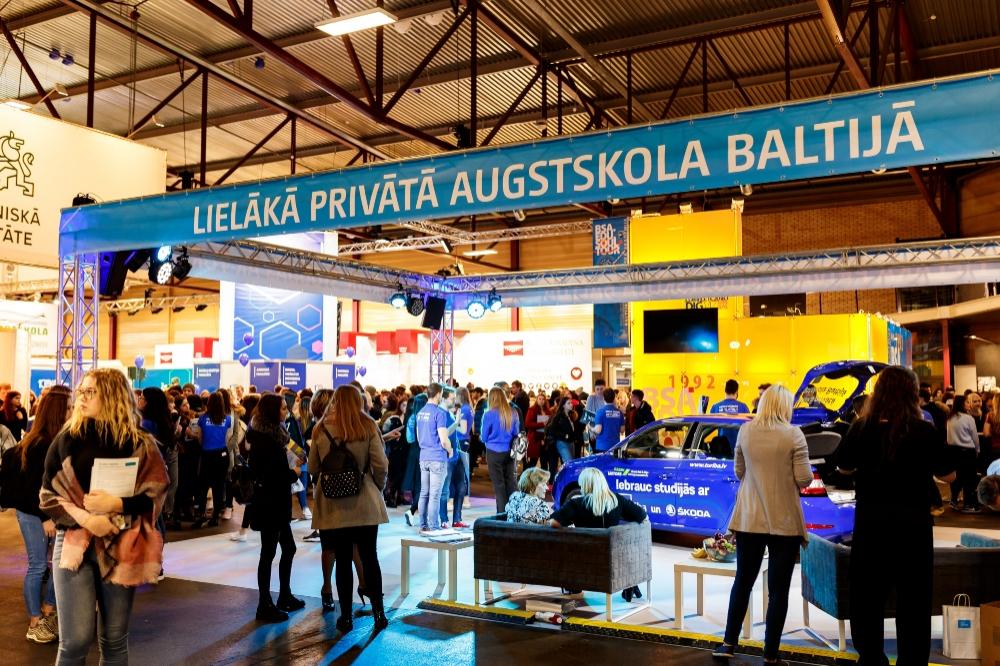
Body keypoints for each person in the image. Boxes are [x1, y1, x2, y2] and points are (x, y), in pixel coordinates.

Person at [39, 369, 168, 665]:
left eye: (90, 392)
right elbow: (48, 495)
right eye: (81, 391)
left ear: (111, 396)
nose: (81, 398)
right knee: (75, 641)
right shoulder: (68, 438)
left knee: (114, 639)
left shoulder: (139, 442)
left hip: (122, 544)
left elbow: (157, 491)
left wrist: (118, 504)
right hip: (74, 543)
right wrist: (89, 520)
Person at [836, 366, 955, 663]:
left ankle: (872, 659)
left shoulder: (861, 428)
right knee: (914, 599)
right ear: (912, 394)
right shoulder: (924, 431)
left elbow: (843, 468)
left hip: (871, 524)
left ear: (878, 393)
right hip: (913, 526)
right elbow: (949, 475)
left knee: (868, 598)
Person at [712, 384, 812, 661]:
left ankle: (728, 644)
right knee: (778, 592)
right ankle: (770, 654)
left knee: (743, 582)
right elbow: (804, 478)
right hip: (784, 522)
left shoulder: (746, 431)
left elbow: (739, 471)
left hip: (750, 519)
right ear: (785, 406)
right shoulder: (794, 434)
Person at [309, 385, 389, 633]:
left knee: (342, 561)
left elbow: (313, 468)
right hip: (364, 503)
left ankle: (345, 617)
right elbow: (381, 464)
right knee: (369, 557)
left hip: (333, 506)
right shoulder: (367, 425)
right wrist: (376, 486)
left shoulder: (320, 428)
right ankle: (379, 613)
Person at [8, 386, 71, 644]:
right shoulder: (41, 444)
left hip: (48, 512)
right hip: (35, 513)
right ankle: (35, 621)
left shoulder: (54, 439)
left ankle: (47, 611)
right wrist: (45, 517)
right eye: (68, 407)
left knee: (55, 563)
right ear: (58, 411)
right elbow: (33, 486)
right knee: (38, 565)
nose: (73, 411)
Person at [246, 393, 303, 623]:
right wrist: (294, 473)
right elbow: (272, 475)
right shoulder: (265, 440)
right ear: (272, 411)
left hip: (276, 503)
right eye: (282, 408)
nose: (286, 412)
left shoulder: (274, 435)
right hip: (270, 503)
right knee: (268, 552)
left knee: (288, 548)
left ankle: (283, 595)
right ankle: (264, 604)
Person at [550, 467, 646, 601]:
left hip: (584, 560)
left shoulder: (577, 503)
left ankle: (574, 587)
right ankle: (629, 584)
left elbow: (554, 523)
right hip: (614, 560)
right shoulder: (617, 500)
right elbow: (642, 515)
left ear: (585, 485)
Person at [139, 387, 180, 531]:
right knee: (157, 514)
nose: (139, 400)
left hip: (149, 469)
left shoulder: (146, 424)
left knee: (153, 515)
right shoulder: (162, 420)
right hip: (160, 466)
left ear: (148, 402)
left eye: (142, 398)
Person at [190, 392, 232, 528]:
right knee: (218, 486)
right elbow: (227, 437)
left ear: (209, 403)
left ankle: (201, 515)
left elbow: (200, 437)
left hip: (207, 455)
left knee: (202, 486)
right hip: (222, 455)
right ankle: (215, 517)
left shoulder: (202, 418)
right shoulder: (228, 419)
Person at [416, 383, 453, 533]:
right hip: (437, 457)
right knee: (434, 495)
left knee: (424, 493)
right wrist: (450, 450)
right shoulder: (439, 413)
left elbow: (419, 437)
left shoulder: (420, 413)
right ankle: (433, 527)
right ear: (438, 394)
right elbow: (444, 440)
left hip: (424, 456)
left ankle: (423, 525)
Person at [481, 386, 520, 513]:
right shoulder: (513, 412)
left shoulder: (489, 414)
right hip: (509, 451)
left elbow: (484, 437)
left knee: (499, 485)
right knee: (511, 483)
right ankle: (514, 512)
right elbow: (516, 433)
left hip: (493, 452)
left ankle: (502, 515)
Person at [947, 394, 981, 512]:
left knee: (956, 477)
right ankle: (968, 505)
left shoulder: (950, 417)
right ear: (961, 404)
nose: (969, 404)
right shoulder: (968, 418)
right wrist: (977, 449)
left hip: (953, 451)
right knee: (969, 478)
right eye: (967, 402)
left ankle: (954, 500)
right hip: (967, 451)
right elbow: (975, 437)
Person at [591, 388, 624, 453]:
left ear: (603, 398)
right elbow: (622, 430)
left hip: (602, 446)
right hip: (615, 445)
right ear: (614, 398)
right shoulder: (619, 412)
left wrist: (591, 428)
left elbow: (598, 430)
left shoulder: (600, 412)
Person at [524, 391, 551, 470]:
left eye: (543, 399)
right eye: (540, 399)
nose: (541, 401)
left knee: (544, 462)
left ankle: (544, 477)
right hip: (535, 439)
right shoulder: (532, 410)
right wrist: (542, 424)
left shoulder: (548, 411)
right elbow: (527, 424)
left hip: (545, 439)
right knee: (533, 462)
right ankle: (526, 476)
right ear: (537, 399)